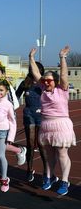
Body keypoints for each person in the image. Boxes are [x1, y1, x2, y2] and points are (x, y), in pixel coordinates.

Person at [29, 46, 76, 196]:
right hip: (46, 125)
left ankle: (64, 181)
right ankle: (48, 178)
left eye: (49, 80)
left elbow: (63, 76)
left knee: (62, 154)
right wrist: (31, 58)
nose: (46, 82)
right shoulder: (43, 90)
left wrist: (62, 57)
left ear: (55, 81)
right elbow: (36, 73)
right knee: (49, 155)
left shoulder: (62, 90)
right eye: (45, 80)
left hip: (61, 124)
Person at [0, 61, 28, 165]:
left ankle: (20, 150)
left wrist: (4, 111)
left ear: (3, 74)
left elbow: (15, 104)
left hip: (4, 120)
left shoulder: (7, 86)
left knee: (1, 144)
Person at [15, 60, 46, 182]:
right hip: (29, 114)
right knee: (30, 143)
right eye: (32, 69)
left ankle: (46, 171)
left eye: (36, 69)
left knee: (41, 144)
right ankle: (29, 169)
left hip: (41, 115)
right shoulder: (25, 83)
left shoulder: (43, 83)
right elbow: (16, 96)